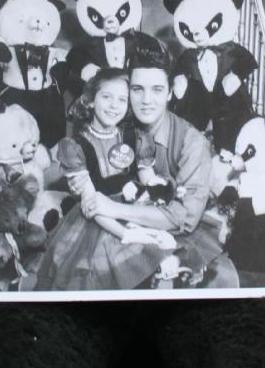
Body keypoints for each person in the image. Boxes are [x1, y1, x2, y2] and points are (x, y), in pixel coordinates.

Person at [81, 48, 239, 288]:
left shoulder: (192, 142)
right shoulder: (118, 125)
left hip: (172, 231)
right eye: (137, 89)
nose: (146, 100)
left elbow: (182, 217)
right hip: (122, 221)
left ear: (170, 92)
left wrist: (114, 209)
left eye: (156, 90)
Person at [35, 68, 174, 291]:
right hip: (100, 221)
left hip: (134, 208)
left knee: (165, 260)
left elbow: (147, 177)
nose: (114, 106)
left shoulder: (134, 136)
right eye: (107, 97)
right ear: (91, 100)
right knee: (103, 278)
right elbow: (92, 204)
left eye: (122, 100)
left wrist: (157, 189)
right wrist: (128, 234)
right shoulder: (75, 146)